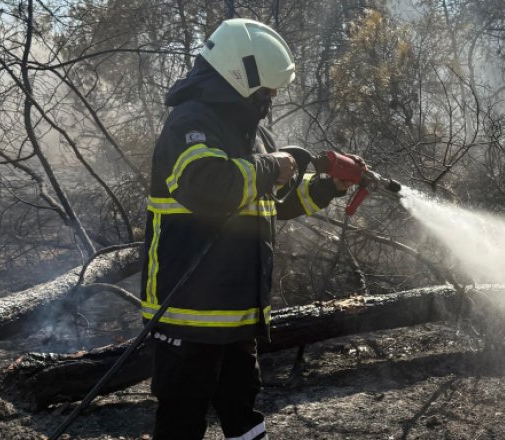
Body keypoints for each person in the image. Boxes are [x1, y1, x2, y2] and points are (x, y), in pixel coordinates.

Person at [141, 18, 352, 440]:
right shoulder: (189, 122)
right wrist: (272, 166)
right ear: (242, 75)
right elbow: (207, 185)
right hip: (187, 314)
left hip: (235, 313)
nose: (270, 99)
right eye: (266, 90)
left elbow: (269, 203)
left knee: (245, 417)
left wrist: (329, 187)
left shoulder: (249, 134)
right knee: (182, 422)